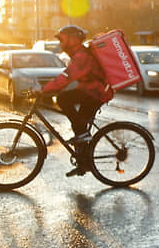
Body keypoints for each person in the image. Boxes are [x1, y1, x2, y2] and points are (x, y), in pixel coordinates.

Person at [39, 25, 112, 176]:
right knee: (78, 124)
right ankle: (83, 163)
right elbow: (67, 77)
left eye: (62, 39)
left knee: (64, 101)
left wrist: (44, 90)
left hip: (97, 92)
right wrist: (49, 88)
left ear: (72, 39)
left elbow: (67, 76)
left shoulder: (82, 56)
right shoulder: (78, 53)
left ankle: (84, 155)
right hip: (90, 90)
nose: (60, 43)